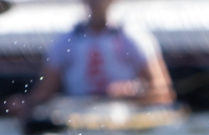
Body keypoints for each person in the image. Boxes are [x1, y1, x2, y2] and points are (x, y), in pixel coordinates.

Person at [4, 0, 175, 123]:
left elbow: (164, 93)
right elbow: (44, 93)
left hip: (124, 113)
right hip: (80, 115)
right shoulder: (65, 41)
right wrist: (25, 104)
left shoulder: (133, 37)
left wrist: (133, 92)